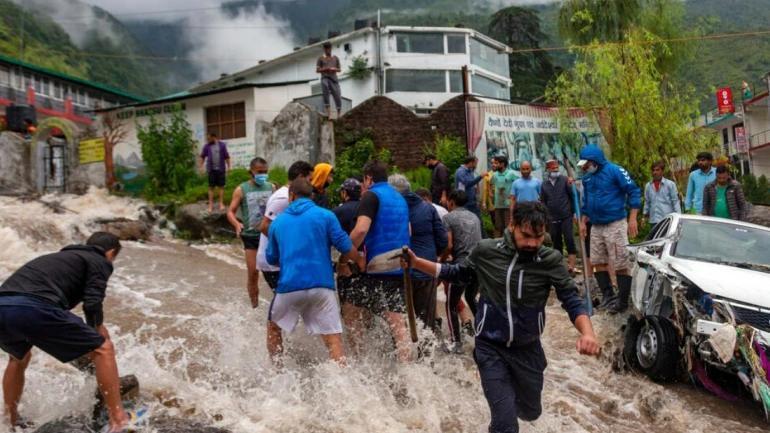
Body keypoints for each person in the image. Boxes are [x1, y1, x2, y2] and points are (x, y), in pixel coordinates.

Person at [405, 202, 601, 433]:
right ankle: (500, 411)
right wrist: (417, 263)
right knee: (506, 424)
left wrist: (588, 333)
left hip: (527, 349)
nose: (532, 243)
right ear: (511, 225)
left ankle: (505, 406)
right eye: (525, 235)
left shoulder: (550, 260)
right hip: (490, 347)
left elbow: (571, 300)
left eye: (538, 237)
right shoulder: (487, 251)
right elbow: (458, 273)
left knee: (530, 412)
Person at [0, 232, 148, 433]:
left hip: (3, 306)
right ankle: (118, 419)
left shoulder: (55, 258)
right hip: (34, 307)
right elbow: (93, 301)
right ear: (111, 252)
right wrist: (98, 328)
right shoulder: (99, 260)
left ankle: (11, 421)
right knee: (103, 348)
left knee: (18, 359)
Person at [265, 179, 363, 365]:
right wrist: (359, 260)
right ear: (312, 196)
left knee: (273, 327)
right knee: (333, 339)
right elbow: (345, 246)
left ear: (291, 196)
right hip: (322, 287)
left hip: (289, 287)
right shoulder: (326, 216)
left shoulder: (278, 223)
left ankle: (276, 371)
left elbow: (271, 259)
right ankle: (342, 382)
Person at [346, 160, 412, 361]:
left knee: (350, 311)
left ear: (368, 178)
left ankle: (359, 361)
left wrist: (346, 255)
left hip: (376, 265)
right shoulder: (399, 198)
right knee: (398, 324)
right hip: (401, 263)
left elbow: (361, 229)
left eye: (363, 182)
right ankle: (409, 369)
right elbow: (409, 230)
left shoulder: (371, 196)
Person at [257, 161, 315, 356]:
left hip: (283, 262)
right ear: (300, 177)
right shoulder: (283, 197)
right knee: (281, 313)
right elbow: (264, 226)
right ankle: (278, 364)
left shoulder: (293, 198)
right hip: (275, 264)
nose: (311, 182)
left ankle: (290, 353)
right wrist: (288, 249)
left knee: (291, 307)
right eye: (309, 178)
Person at [577, 145, 642, 314]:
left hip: (615, 223)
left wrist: (633, 217)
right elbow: (586, 202)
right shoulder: (587, 178)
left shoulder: (615, 171)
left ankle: (622, 301)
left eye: (586, 164)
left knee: (621, 262)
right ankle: (608, 295)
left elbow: (633, 191)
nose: (584, 167)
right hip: (596, 225)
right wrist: (583, 222)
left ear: (595, 161)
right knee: (597, 261)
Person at [389, 174, 448, 332]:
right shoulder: (428, 208)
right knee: (426, 323)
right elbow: (443, 240)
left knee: (400, 325)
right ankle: (428, 355)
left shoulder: (391, 210)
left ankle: (403, 356)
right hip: (425, 270)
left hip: (399, 273)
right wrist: (432, 257)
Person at [226, 157, 275, 308]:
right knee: (253, 273)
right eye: (260, 172)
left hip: (269, 235)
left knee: (276, 272)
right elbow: (230, 212)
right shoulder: (241, 189)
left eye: (265, 172)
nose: (263, 175)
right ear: (251, 172)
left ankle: (279, 303)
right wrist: (236, 224)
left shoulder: (272, 187)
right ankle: (254, 306)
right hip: (251, 237)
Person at [441, 190, 482, 353]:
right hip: (478, 264)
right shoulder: (475, 217)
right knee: (471, 298)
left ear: (451, 202)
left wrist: (441, 260)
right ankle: (483, 334)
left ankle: (455, 342)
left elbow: (449, 246)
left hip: (461, 265)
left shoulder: (448, 218)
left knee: (450, 304)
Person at [540, 159, 577, 274]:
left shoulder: (565, 180)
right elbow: (543, 202)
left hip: (566, 215)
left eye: (556, 168)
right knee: (556, 241)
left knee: (569, 239)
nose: (555, 170)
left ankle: (572, 266)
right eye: (552, 168)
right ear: (548, 170)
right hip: (552, 218)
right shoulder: (544, 185)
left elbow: (572, 197)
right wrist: (545, 217)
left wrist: (575, 213)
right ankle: (560, 266)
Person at [199, 133, 231, 212]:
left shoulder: (222, 145)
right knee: (211, 187)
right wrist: (201, 167)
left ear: (214, 137)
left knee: (221, 187)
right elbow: (202, 156)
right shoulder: (207, 146)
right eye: (207, 139)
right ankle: (210, 205)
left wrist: (229, 167)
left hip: (221, 169)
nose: (208, 140)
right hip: (211, 170)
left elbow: (226, 156)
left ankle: (221, 203)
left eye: (209, 138)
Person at [643, 160, 681, 226]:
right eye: (653, 170)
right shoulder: (648, 186)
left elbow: (675, 202)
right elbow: (647, 202)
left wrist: (679, 217)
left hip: (667, 220)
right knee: (656, 236)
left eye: (657, 170)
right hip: (653, 220)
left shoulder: (670, 184)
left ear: (662, 171)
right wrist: (644, 216)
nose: (655, 172)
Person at [489, 155, 517, 237]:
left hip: (508, 205)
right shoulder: (495, 175)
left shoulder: (511, 174)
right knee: (498, 226)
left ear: (502, 164)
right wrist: (491, 192)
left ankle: (509, 243)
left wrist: (513, 196)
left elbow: (518, 184)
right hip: (498, 205)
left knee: (508, 226)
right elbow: (490, 183)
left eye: (497, 163)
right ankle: (499, 243)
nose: (495, 165)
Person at [454, 156, 487, 220]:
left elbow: (472, 183)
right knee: (467, 220)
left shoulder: (470, 171)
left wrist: (476, 189)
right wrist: (480, 177)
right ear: (471, 163)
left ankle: (480, 230)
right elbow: (467, 183)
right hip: (464, 201)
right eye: (476, 163)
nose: (476, 165)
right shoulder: (460, 171)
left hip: (472, 201)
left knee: (478, 219)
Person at [316, 42, 342, 119]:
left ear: (331, 48)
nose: (328, 50)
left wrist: (334, 69)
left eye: (329, 48)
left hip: (334, 79)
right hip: (325, 78)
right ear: (324, 49)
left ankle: (339, 113)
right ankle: (328, 113)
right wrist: (325, 69)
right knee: (325, 88)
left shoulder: (335, 58)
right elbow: (317, 70)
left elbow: (339, 69)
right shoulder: (320, 58)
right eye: (326, 49)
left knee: (337, 95)